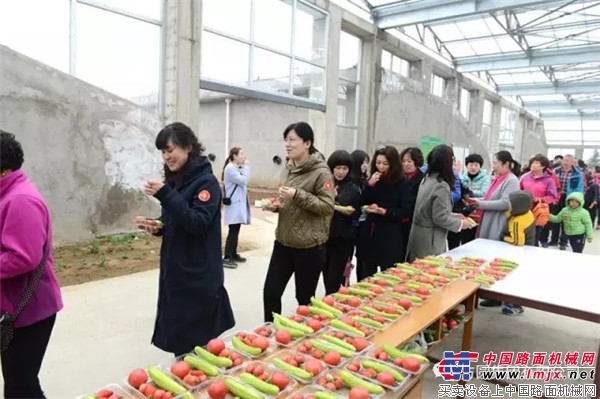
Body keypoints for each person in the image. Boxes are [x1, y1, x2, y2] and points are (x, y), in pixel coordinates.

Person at [139, 122, 235, 356]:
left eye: (170, 150)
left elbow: (197, 222)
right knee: (180, 340)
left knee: (197, 347)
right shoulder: (177, 180)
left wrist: (164, 194)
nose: (166, 157)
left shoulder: (207, 183)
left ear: (188, 147)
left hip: (198, 275)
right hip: (177, 271)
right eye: (162, 152)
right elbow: (175, 217)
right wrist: (158, 226)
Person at [0, 131, 63, 399]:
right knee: (19, 382)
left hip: (29, 310)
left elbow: (23, 257)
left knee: (20, 384)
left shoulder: (20, 200)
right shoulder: (8, 193)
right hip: (14, 306)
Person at [262, 122, 335, 323]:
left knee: (304, 299)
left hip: (309, 247)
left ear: (307, 143)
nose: (287, 144)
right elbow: (288, 200)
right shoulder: (287, 168)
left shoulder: (321, 172)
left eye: (292, 140)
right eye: (286, 139)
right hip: (284, 242)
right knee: (271, 292)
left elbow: (328, 206)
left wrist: (298, 195)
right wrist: (276, 205)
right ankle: (270, 332)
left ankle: (303, 340)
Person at [467, 151, 519, 308]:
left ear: (506, 164)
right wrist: (478, 200)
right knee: (488, 256)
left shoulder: (511, 180)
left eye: (496, 163)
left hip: (498, 221)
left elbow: (505, 203)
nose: (493, 165)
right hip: (489, 218)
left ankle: (498, 295)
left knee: (496, 257)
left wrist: (480, 204)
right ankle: (491, 293)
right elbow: (491, 198)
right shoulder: (498, 178)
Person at [407, 145, 474, 261]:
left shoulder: (427, 178)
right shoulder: (441, 186)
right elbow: (440, 217)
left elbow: (429, 210)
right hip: (430, 239)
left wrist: (452, 215)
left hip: (418, 234)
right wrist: (461, 224)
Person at [359, 146, 415, 278]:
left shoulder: (403, 183)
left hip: (391, 234)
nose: (381, 167)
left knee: (389, 275)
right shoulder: (374, 179)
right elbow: (362, 202)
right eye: (378, 163)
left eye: (385, 164)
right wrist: (370, 185)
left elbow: (406, 210)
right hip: (371, 232)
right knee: (367, 274)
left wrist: (386, 212)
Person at [323, 150, 361, 294]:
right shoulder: (325, 183)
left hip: (343, 237)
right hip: (325, 236)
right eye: (337, 168)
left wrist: (334, 198)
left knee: (335, 276)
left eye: (344, 168)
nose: (340, 172)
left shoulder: (352, 187)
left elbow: (351, 208)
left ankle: (332, 302)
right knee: (326, 273)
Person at [221, 147, 251, 269]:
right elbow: (243, 180)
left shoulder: (234, 168)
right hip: (234, 204)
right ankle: (227, 256)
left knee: (236, 229)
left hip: (237, 203)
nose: (244, 157)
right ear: (234, 156)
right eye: (241, 154)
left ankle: (233, 253)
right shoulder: (230, 169)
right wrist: (247, 167)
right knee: (233, 230)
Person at [519, 155, 558, 247]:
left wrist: (538, 199)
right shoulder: (524, 177)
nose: (533, 164)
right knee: (521, 235)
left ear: (543, 166)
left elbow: (552, 196)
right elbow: (518, 190)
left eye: (536, 163)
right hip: (523, 211)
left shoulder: (549, 180)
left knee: (534, 237)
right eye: (532, 162)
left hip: (537, 212)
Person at [550, 155, 584, 250]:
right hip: (557, 197)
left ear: (572, 162)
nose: (565, 162)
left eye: (568, 161)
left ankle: (563, 242)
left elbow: (580, 188)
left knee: (566, 220)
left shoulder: (578, 173)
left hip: (569, 198)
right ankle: (553, 239)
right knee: (555, 219)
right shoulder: (556, 171)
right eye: (564, 160)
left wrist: (576, 200)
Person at [398, 147, 425, 257]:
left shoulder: (422, 179)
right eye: (403, 161)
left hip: (413, 220)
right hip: (398, 219)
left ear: (417, 161)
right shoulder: (399, 177)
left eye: (409, 161)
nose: (406, 164)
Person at [349, 150, 370, 282]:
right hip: (351, 225)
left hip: (363, 224)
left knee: (362, 257)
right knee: (347, 258)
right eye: (362, 162)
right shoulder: (351, 181)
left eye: (367, 162)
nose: (365, 165)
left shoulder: (365, 181)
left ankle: (360, 282)